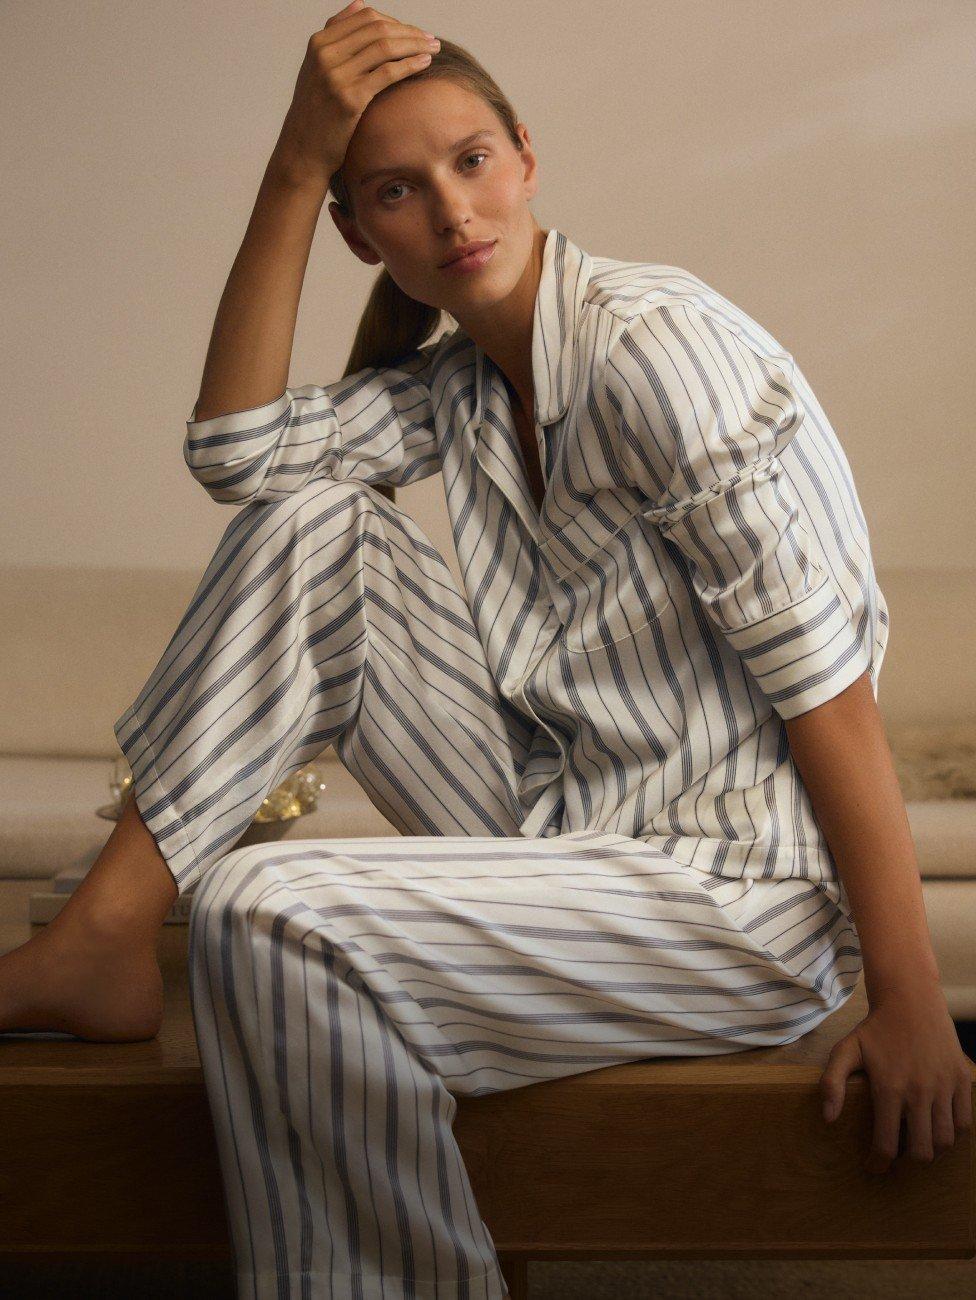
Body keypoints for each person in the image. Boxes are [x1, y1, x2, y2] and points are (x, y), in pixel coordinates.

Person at [2, 3, 971, 1295]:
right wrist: (293, 165)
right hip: (570, 830)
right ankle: (108, 935)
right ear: (358, 232)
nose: (452, 213)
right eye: (395, 191)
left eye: (469, 162)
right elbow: (234, 458)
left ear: (525, 155)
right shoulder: (462, 384)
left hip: (731, 894)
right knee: (315, 522)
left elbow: (829, 695)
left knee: (263, 911)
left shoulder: (659, 351)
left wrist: (906, 998)